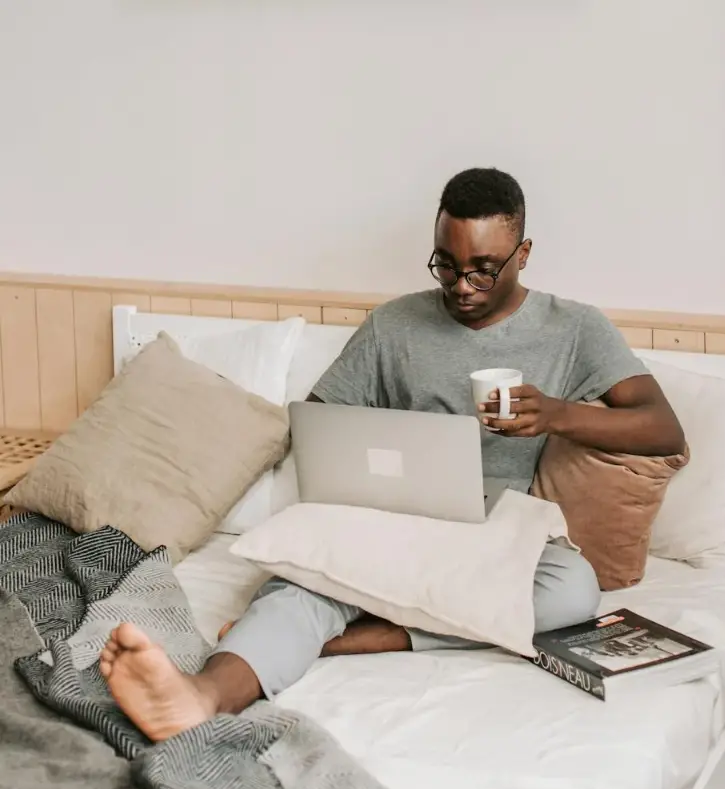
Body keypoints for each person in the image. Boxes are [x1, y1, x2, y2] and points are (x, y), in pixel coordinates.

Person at [99, 167, 685, 741]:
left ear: (524, 253)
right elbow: (319, 419)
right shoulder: (394, 325)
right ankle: (199, 696)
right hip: (390, 521)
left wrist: (558, 414)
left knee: (572, 591)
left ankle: (355, 638)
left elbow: (663, 430)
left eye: (483, 270)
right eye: (447, 265)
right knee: (300, 581)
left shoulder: (575, 329)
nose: (461, 286)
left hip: (491, 537)